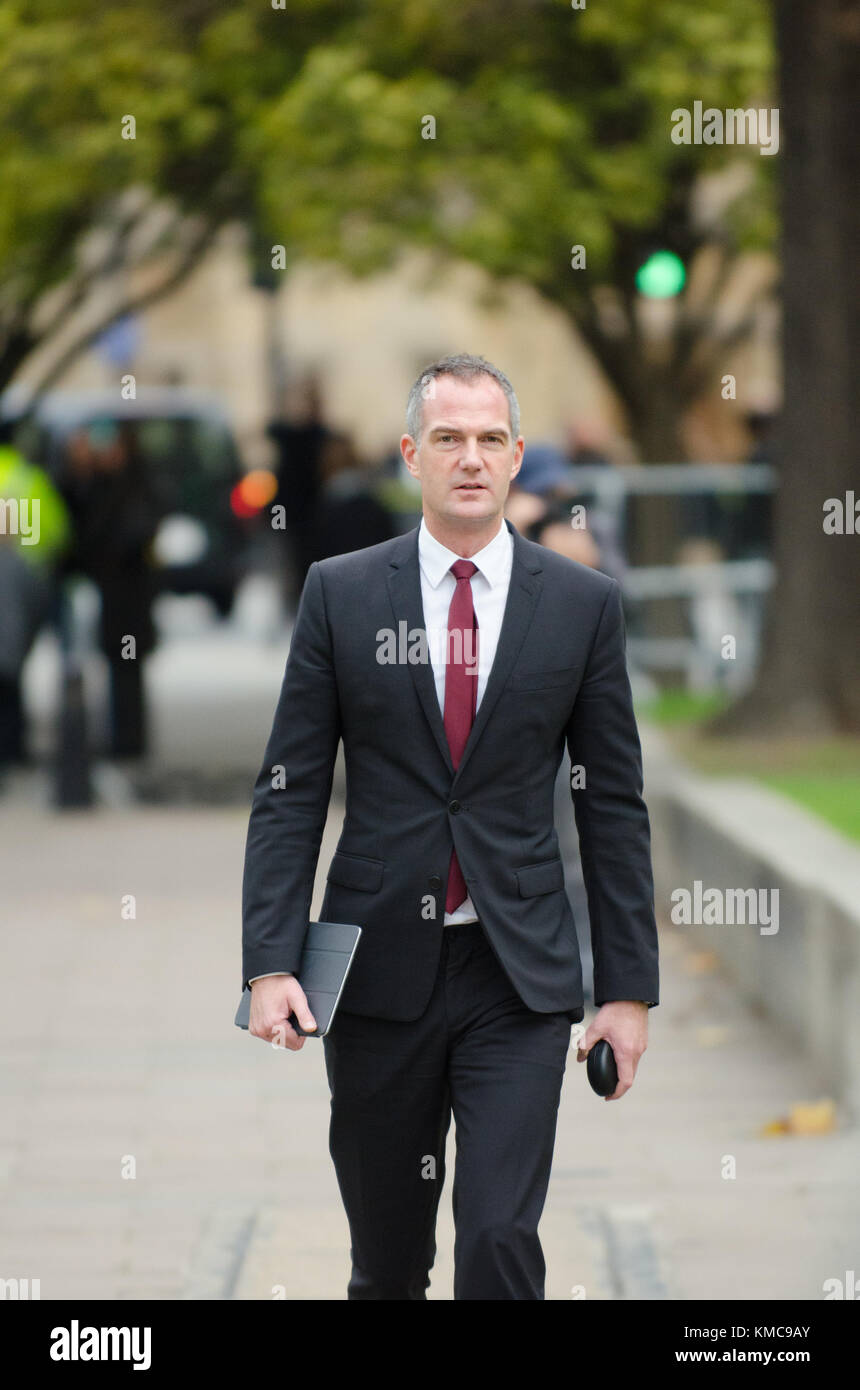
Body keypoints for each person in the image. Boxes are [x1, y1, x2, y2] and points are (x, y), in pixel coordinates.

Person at [241, 353, 659, 1300]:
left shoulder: (581, 605)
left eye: (487, 440)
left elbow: (613, 805)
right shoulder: (341, 595)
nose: (469, 458)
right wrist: (270, 964)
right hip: (379, 973)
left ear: (516, 457)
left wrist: (626, 988)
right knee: (389, 1265)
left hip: (519, 976)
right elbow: (290, 788)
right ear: (410, 456)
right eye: (447, 439)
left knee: (500, 1240)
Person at [0, 419, 71, 766]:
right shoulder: (28, 476)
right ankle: (13, 749)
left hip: (11, 583)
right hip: (30, 580)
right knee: (11, 668)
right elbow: (58, 531)